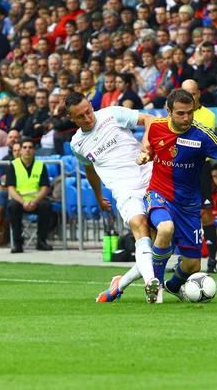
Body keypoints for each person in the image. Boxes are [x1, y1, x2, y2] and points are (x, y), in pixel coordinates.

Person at [136, 89, 217, 303]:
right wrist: (145, 155)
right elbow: (150, 149)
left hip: (189, 204)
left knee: (193, 265)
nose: (186, 118)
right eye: (180, 113)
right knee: (165, 228)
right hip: (159, 194)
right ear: (168, 112)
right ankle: (154, 287)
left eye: (190, 113)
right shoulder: (156, 127)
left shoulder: (201, 135)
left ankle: (172, 286)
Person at [66, 92, 157, 303]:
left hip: (150, 177)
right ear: (71, 119)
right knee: (139, 225)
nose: (87, 118)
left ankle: (120, 283)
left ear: (91, 105)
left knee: (161, 239)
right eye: (80, 117)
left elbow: (149, 119)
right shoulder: (77, 144)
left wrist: (145, 142)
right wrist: (98, 197)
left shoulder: (112, 114)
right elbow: (90, 170)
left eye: (88, 111)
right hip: (124, 190)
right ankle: (151, 283)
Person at [180, 79, 217, 273]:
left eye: (193, 94)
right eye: (186, 94)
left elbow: (199, 142)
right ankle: (184, 259)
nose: (190, 97)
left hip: (199, 168)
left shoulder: (208, 116)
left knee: (205, 213)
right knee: (181, 213)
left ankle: (212, 259)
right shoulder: (177, 114)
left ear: (198, 94)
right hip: (180, 168)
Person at [7, 138, 53, 253]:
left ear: (34, 150)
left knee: (46, 205)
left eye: (30, 147)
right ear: (21, 150)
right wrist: (24, 202)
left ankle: (41, 241)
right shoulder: (13, 165)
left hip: (36, 200)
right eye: (25, 147)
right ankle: (18, 243)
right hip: (19, 200)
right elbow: (11, 189)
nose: (27, 150)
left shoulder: (40, 165)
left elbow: (45, 187)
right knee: (13, 206)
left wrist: (35, 201)